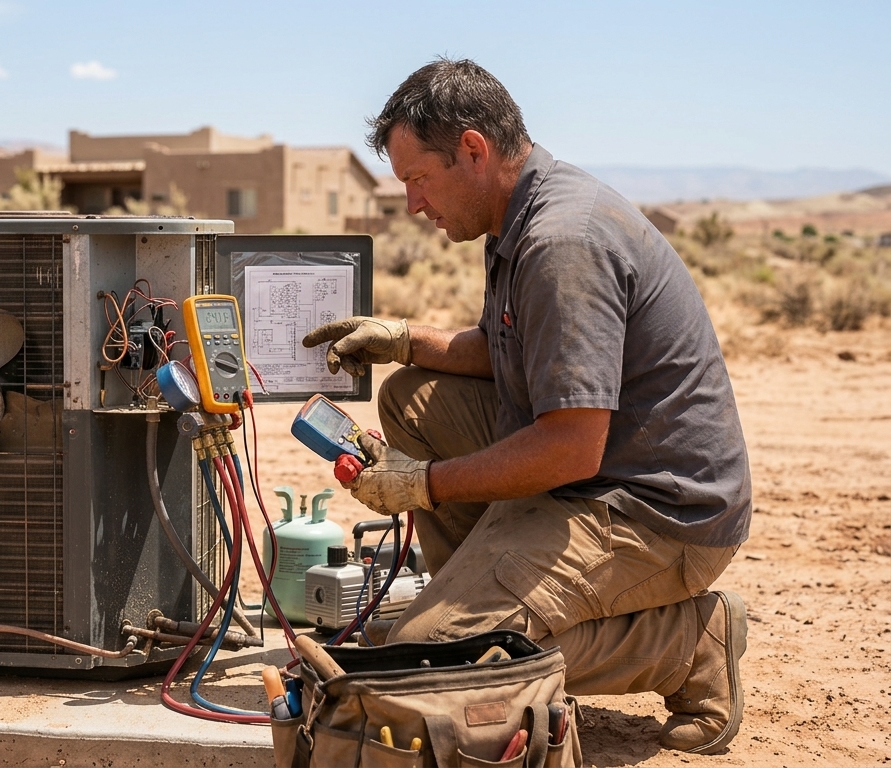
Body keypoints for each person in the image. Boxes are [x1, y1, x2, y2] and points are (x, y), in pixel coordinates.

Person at [303, 58, 752, 755]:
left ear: (474, 151)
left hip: (656, 510)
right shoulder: (519, 217)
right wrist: (404, 339)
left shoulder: (561, 242)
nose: (414, 204)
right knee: (413, 398)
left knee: (432, 657)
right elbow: (507, 350)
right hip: (591, 476)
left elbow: (570, 447)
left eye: (418, 179)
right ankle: (486, 602)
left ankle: (688, 642)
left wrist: (421, 484)